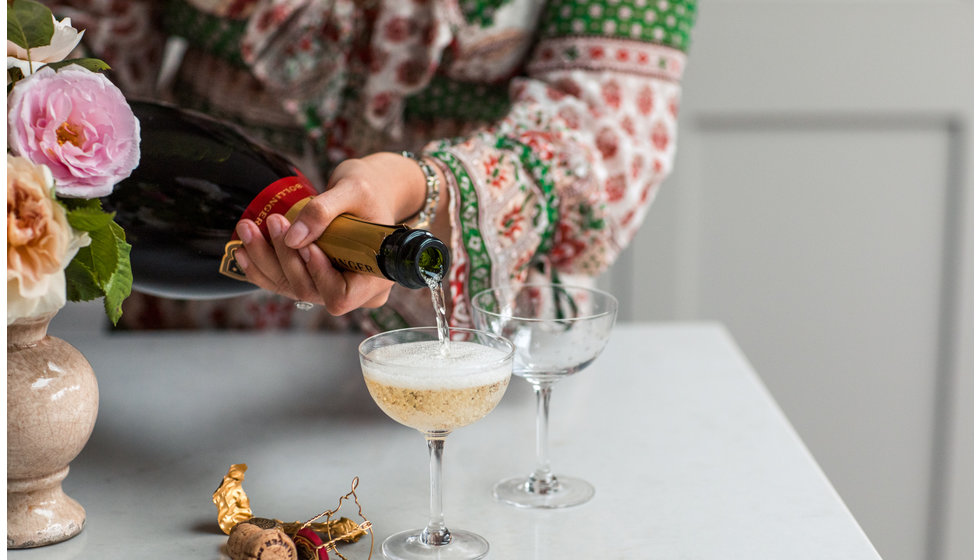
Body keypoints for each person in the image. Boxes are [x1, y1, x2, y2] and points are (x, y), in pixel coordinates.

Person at [52, 0, 697, 333]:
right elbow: (71, 82)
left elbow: (602, 131)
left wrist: (409, 186)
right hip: (211, 319)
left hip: (476, 335)